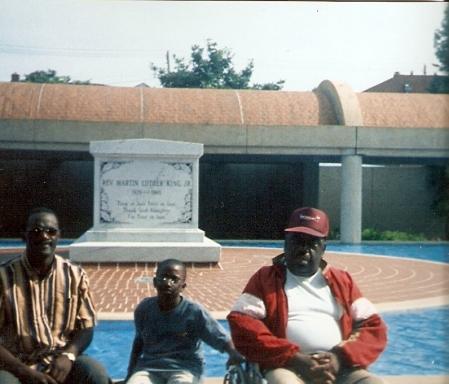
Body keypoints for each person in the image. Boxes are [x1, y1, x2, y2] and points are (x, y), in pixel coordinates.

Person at [227, 207, 388, 384]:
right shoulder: (265, 278)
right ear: (286, 242)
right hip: (286, 367)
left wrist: (339, 358)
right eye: (297, 241)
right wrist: (292, 357)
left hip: (339, 368)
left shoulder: (343, 281)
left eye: (312, 243)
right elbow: (241, 323)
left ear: (323, 248)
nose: (304, 249)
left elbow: (374, 326)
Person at [0, 207, 111, 384]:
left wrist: (69, 355)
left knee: (94, 372)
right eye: (36, 231)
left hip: (60, 361)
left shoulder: (75, 275)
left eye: (51, 231)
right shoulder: (4, 277)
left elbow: (86, 327)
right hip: (17, 365)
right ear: (24, 236)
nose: (44, 237)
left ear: (58, 236)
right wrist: (24, 373)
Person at [125, 258, 245, 384]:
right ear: (155, 282)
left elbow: (220, 338)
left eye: (174, 280)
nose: (168, 283)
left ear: (183, 286)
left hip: (185, 369)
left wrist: (232, 353)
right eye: (163, 278)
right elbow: (139, 342)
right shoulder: (144, 309)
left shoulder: (194, 312)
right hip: (150, 369)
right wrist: (129, 374)